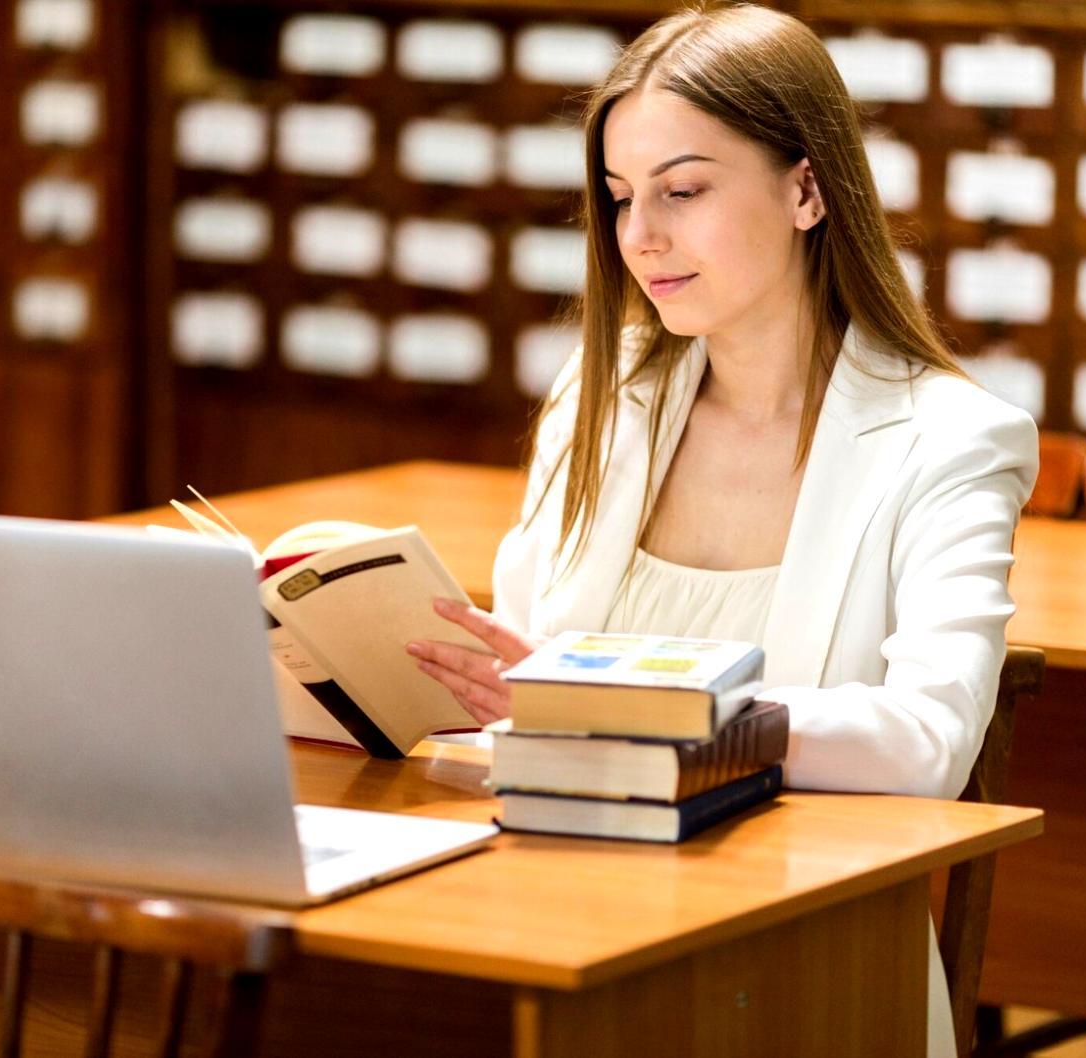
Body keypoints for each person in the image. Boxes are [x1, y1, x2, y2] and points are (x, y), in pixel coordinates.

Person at [406, 5, 1037, 1055]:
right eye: (619, 198)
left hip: (804, 950)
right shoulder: (598, 395)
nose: (640, 235)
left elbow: (928, 741)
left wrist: (660, 707)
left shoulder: (952, 439)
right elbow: (523, 693)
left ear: (805, 188)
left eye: (683, 190)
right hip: (558, 912)